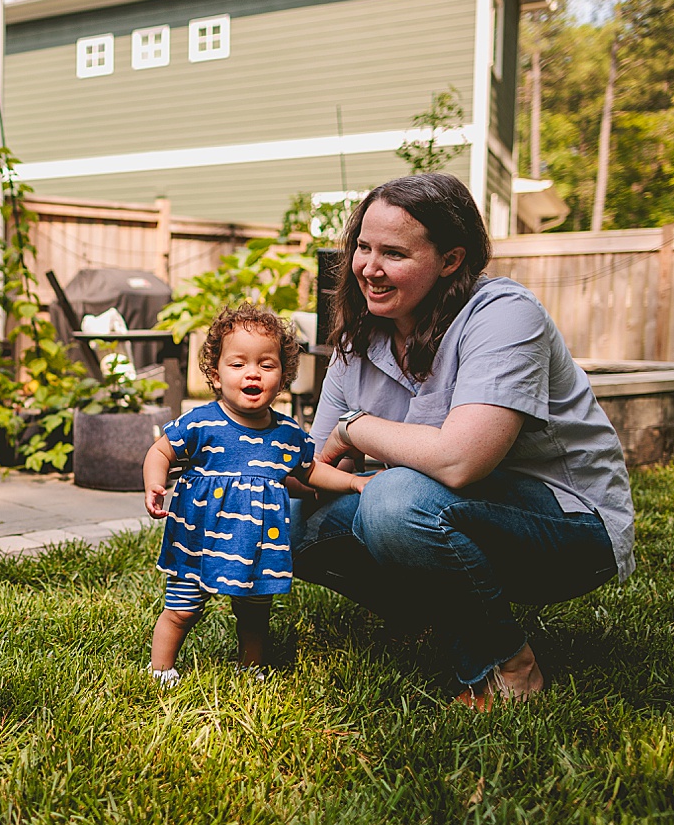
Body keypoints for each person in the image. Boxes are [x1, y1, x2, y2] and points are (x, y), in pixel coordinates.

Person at [296, 172, 633, 709]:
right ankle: (441, 612)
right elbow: (313, 467)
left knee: (393, 501)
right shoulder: (360, 341)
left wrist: (352, 427)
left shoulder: (503, 316)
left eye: (394, 253)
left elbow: (461, 463)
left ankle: (508, 665)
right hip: (444, 511)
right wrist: (233, 484)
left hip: (566, 525)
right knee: (289, 517)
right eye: (362, 247)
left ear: (451, 260)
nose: (369, 268)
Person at [142, 303, 364, 685]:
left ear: (283, 375)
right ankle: (161, 668)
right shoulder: (202, 422)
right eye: (238, 364)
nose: (252, 373)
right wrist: (155, 482)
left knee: (255, 610)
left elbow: (310, 471)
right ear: (215, 373)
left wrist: (354, 483)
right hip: (199, 537)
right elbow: (161, 450)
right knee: (183, 608)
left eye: (266, 364)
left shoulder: (287, 433)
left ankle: (252, 667)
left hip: (256, 542)